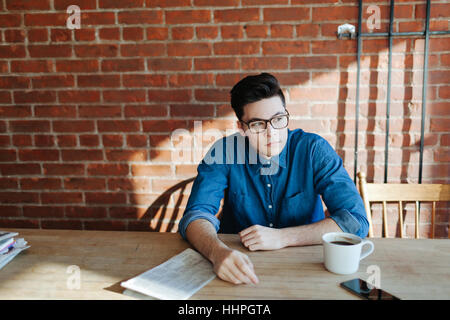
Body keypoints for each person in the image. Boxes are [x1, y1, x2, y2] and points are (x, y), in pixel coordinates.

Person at [178, 73, 369, 285]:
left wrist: (283, 237)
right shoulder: (223, 151)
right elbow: (195, 216)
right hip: (239, 265)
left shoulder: (313, 149)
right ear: (241, 128)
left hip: (309, 267)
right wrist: (217, 252)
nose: (272, 133)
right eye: (258, 124)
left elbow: (356, 220)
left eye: (278, 120)